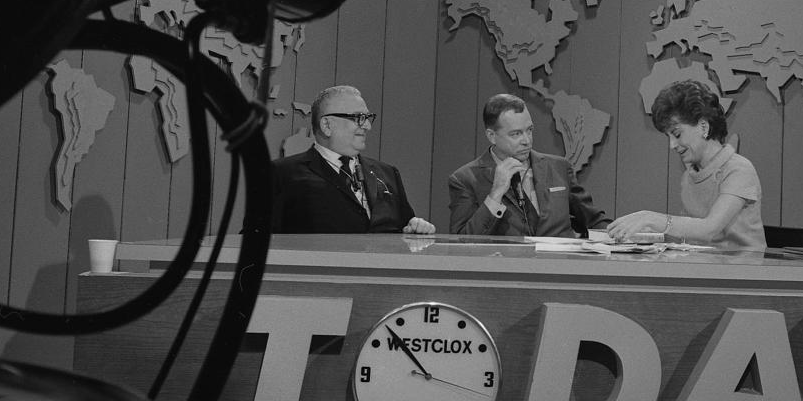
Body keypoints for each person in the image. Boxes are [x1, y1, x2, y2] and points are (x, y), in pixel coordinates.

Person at [608, 80, 766, 252]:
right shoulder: (689, 175)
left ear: (703, 126)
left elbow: (708, 229)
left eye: (677, 134)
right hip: (701, 270)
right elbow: (691, 236)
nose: (672, 145)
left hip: (741, 274)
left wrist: (650, 218)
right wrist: (648, 232)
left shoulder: (739, 170)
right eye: (669, 137)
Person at [271, 85, 436, 234]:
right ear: (327, 125)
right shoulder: (282, 174)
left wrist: (415, 230)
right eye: (358, 118)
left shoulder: (387, 173)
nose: (367, 126)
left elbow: (405, 227)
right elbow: (256, 240)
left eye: (367, 118)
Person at [448, 93, 609, 238]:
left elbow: (594, 221)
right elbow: (462, 240)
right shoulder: (465, 179)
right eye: (516, 134)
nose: (527, 140)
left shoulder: (559, 167)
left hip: (559, 267)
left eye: (529, 130)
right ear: (492, 136)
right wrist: (495, 194)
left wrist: (625, 239)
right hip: (507, 267)